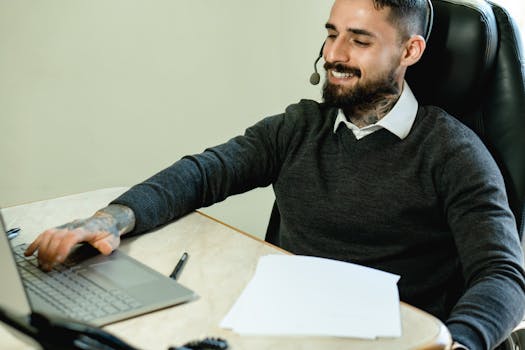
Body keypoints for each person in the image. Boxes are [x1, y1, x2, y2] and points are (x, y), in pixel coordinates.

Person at [24, 0, 525, 348]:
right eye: (331, 34)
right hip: (285, 329)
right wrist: (113, 219)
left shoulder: (453, 152)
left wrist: (458, 344)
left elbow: (501, 274)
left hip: (396, 338)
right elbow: (205, 172)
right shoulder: (299, 127)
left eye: (360, 40)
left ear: (410, 52)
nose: (334, 55)